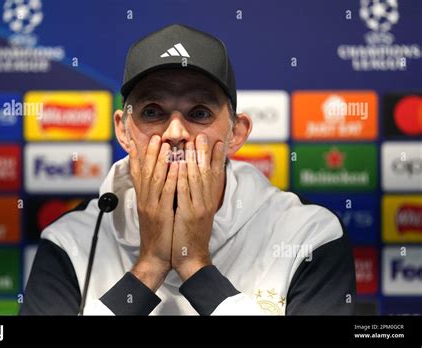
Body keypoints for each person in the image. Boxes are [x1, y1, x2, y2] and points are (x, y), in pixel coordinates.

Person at [20, 24, 355, 316]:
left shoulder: (308, 234)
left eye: (199, 112)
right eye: (152, 112)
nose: (176, 133)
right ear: (123, 131)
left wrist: (195, 265)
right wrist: (149, 265)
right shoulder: (71, 240)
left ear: (236, 133)